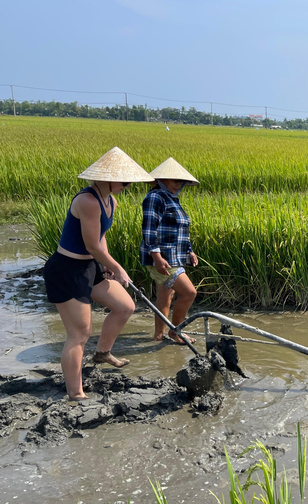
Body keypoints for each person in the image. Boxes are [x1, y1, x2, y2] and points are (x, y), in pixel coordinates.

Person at [43, 147, 155, 401]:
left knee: (125, 306)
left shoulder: (110, 201)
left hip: (90, 266)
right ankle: (76, 393)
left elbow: (100, 239)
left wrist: (105, 264)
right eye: (123, 180)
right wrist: (117, 268)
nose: (127, 185)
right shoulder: (87, 201)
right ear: (106, 177)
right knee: (80, 333)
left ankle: (103, 353)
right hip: (66, 270)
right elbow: (91, 244)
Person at [141, 157, 200, 344]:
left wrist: (190, 251)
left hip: (175, 257)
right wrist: (157, 257)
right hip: (163, 258)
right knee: (189, 293)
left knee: (166, 296)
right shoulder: (155, 197)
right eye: (175, 181)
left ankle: (158, 336)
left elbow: (181, 230)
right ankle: (176, 332)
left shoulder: (172, 199)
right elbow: (149, 229)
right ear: (162, 180)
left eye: (181, 182)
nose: (179, 185)